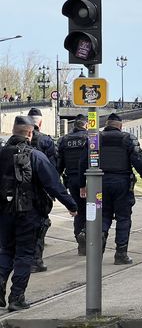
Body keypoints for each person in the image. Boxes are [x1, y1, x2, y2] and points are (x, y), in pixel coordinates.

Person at [0, 116, 77, 311]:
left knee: (6, 251)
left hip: (4, 213)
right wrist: (71, 205)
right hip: (29, 213)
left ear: (13, 131)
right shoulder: (36, 156)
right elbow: (53, 184)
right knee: (25, 254)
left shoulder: (1, 154)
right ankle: (16, 298)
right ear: (30, 133)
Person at [79, 113, 142, 264]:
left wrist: (81, 184)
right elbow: (137, 159)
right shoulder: (128, 138)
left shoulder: (95, 138)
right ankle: (121, 254)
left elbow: (83, 162)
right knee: (123, 218)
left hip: (99, 183)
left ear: (107, 124)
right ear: (120, 126)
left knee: (103, 215)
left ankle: (100, 241)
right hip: (122, 184)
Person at [27, 108, 57, 273]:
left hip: (17, 191)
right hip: (39, 191)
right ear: (40, 122)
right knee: (40, 225)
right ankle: (35, 260)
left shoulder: (13, 140)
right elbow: (53, 168)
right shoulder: (46, 141)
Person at [57, 114, 88, 256]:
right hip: (89, 180)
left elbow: (59, 164)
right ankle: (87, 234)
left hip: (71, 180)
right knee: (93, 209)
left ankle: (79, 239)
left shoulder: (64, 140)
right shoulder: (91, 137)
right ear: (86, 124)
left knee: (78, 211)